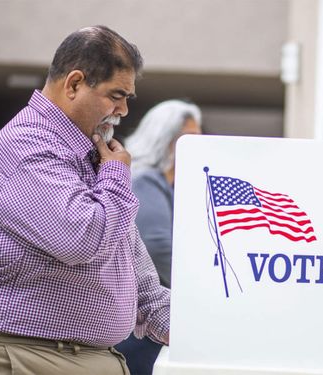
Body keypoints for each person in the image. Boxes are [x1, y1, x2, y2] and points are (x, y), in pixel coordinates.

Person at [0, 25, 169, 375]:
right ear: (74, 84)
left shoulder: (89, 154)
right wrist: (117, 174)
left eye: (127, 98)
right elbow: (83, 239)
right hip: (14, 355)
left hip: (61, 355)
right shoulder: (27, 148)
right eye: (116, 95)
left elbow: (134, 268)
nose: (122, 110)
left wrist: (205, 326)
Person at [116, 100, 202, 375]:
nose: (197, 147)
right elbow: (158, 246)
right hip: (144, 329)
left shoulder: (168, 186)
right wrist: (204, 291)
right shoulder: (146, 181)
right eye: (189, 139)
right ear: (165, 140)